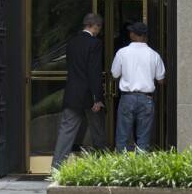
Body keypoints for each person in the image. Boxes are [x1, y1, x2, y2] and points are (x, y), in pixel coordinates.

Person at [51, 12, 107, 170]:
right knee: (98, 133)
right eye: (99, 28)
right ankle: (103, 167)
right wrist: (96, 98)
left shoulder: (71, 43)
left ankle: (56, 167)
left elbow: (74, 68)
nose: (98, 31)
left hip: (73, 94)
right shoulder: (95, 44)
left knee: (66, 132)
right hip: (89, 96)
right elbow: (94, 72)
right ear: (95, 26)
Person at [111, 21, 165, 152]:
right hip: (146, 98)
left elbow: (114, 75)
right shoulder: (154, 55)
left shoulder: (122, 53)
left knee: (122, 135)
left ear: (133, 34)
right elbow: (161, 80)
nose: (129, 33)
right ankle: (140, 170)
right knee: (143, 137)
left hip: (127, 97)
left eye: (130, 31)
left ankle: (121, 168)